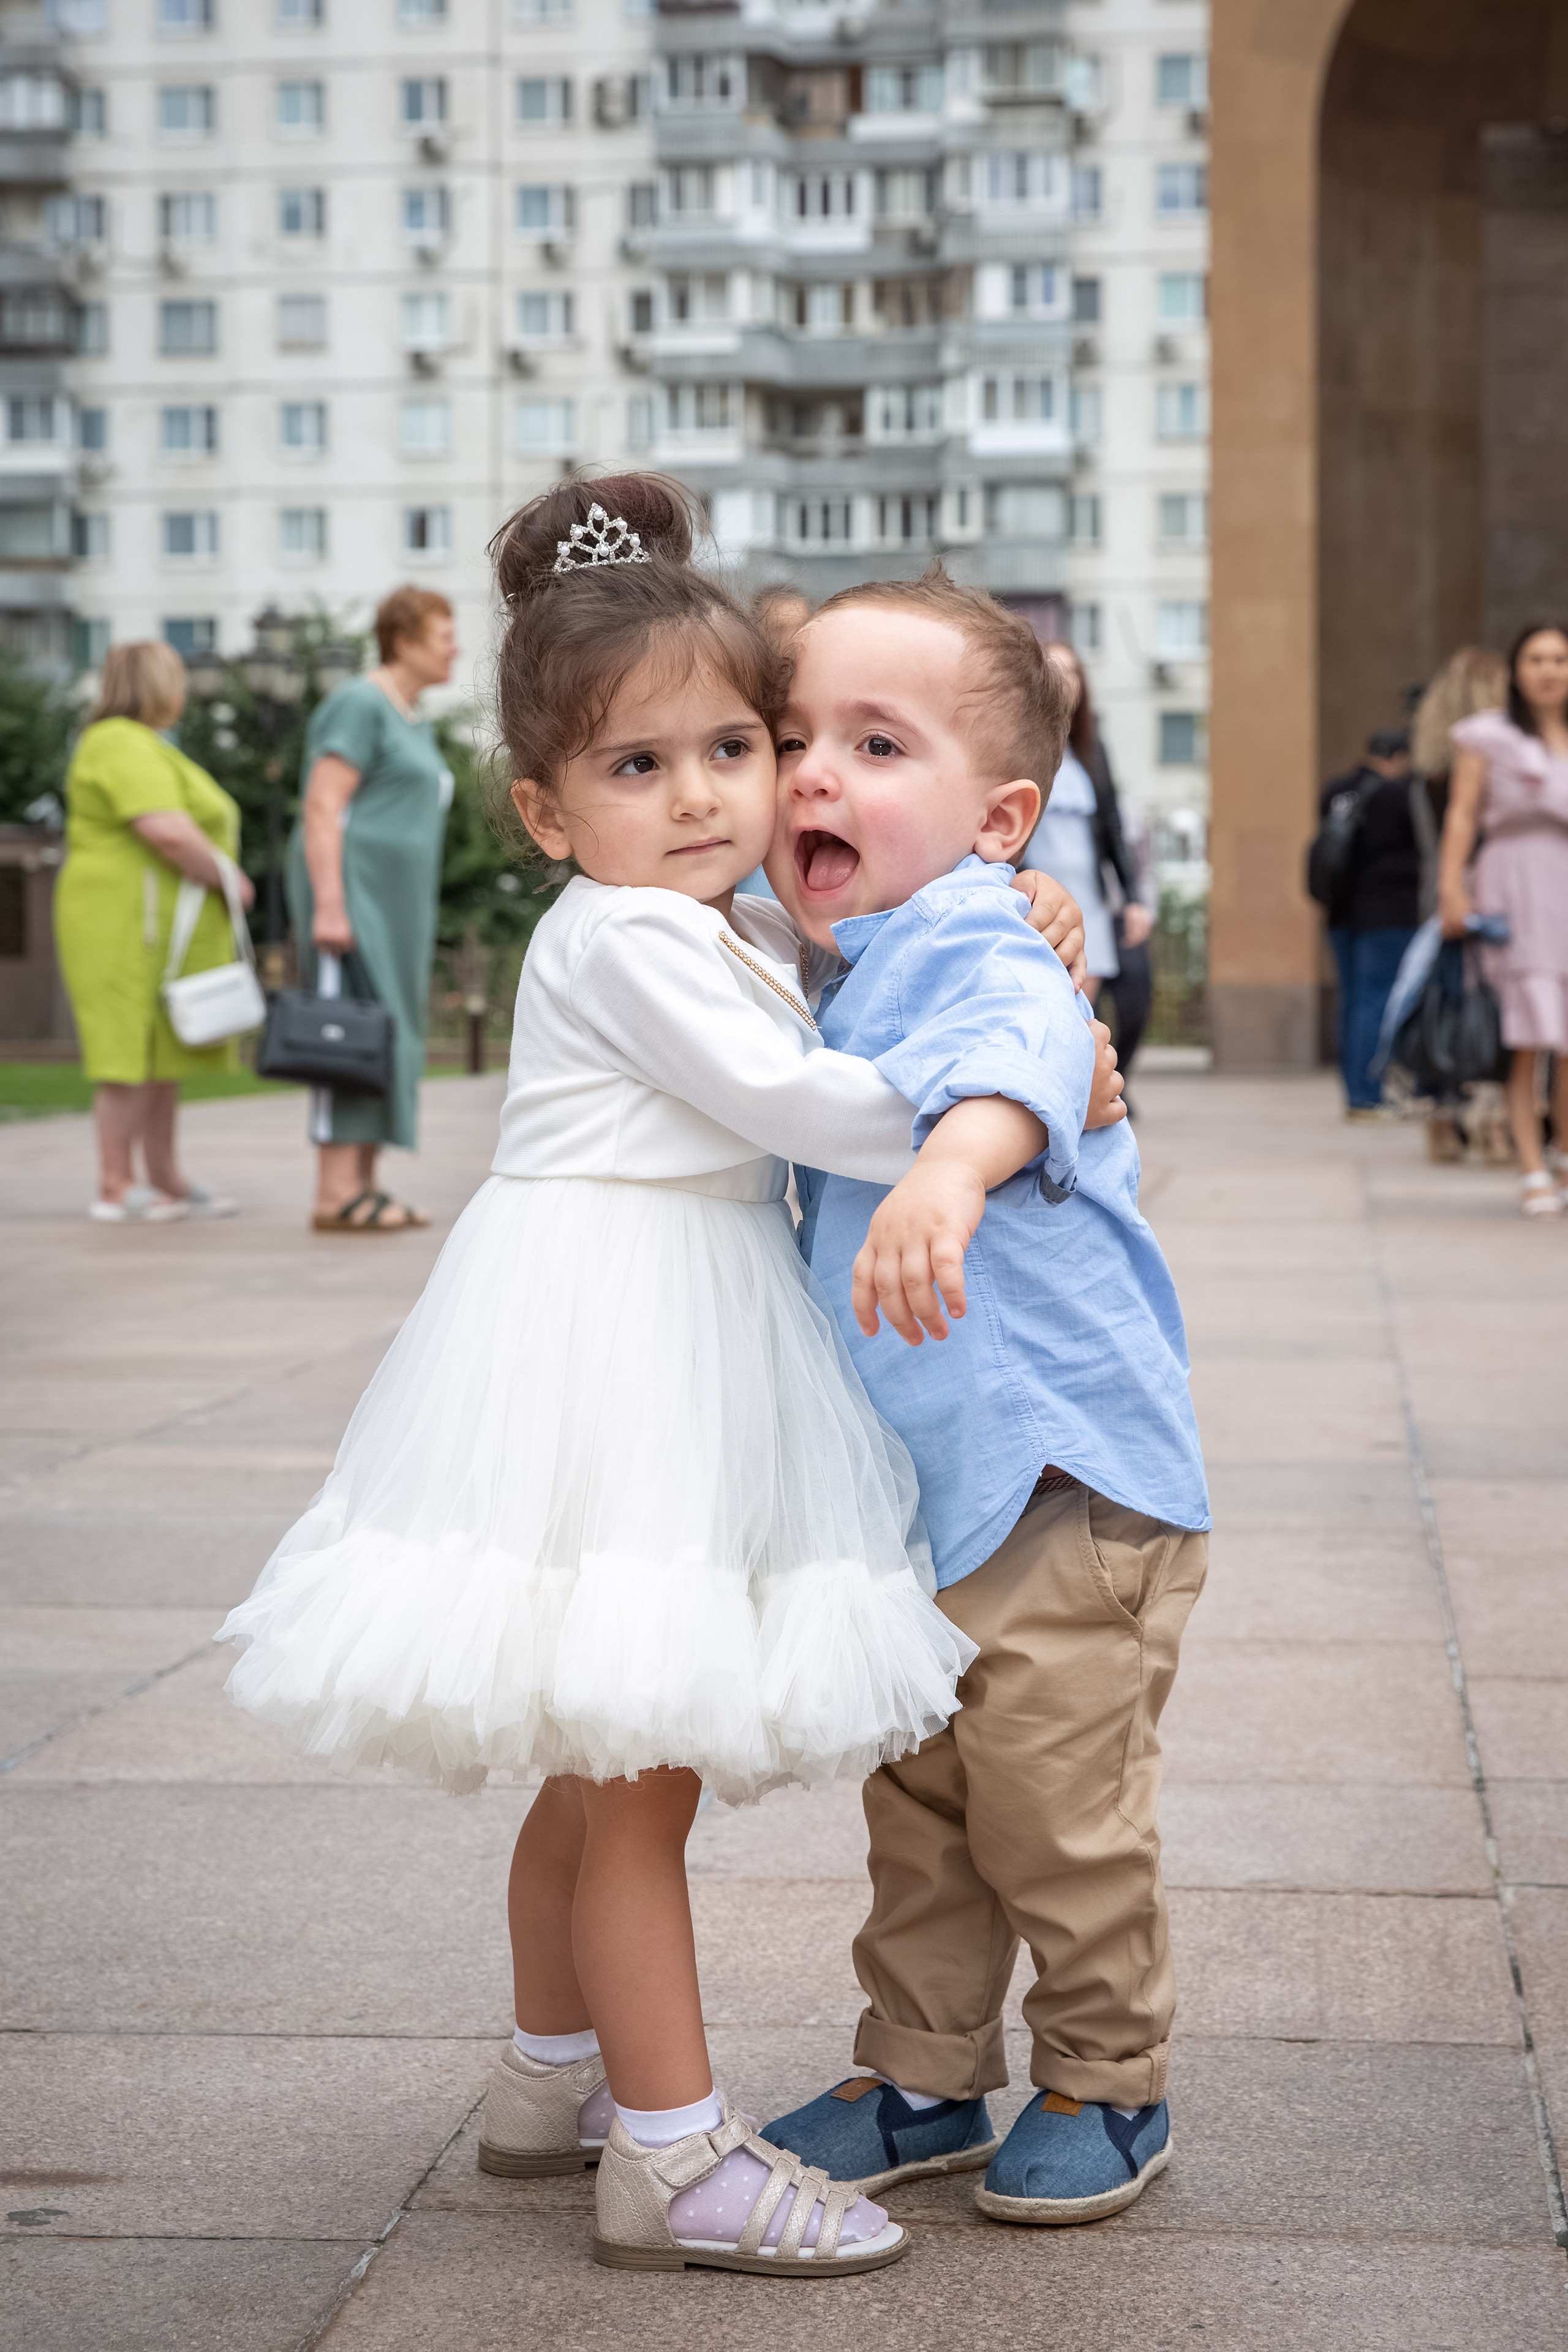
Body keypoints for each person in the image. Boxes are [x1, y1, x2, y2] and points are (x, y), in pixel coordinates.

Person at [217, 478, 1118, 2279]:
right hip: (622, 1329)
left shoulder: (693, 921)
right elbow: (801, 1096)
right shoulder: (629, 936)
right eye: (640, 767)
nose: (702, 792)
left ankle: (548, 2076)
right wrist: (1005, 1097)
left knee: (588, 1751)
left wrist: (997, 927)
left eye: (729, 743)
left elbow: (833, 988)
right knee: (640, 1775)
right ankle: (674, 2148)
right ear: (546, 809)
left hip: (607, 1313)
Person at [755, 567, 1209, 2228]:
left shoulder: (968, 931)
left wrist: (949, 1177)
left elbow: (1024, 1045)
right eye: (792, 737)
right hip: (943, 1497)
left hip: (1063, 1492)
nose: (813, 773)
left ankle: (1110, 2075)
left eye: (876, 743)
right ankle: (928, 2067)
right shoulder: (841, 948)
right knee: (928, 1802)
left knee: (1057, 1814)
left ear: (1003, 817)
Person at [53, 639, 253, 1223]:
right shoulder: (116, 742)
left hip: (156, 930)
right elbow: (165, 830)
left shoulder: (147, 747)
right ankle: (115, 1184)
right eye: (177, 679)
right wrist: (229, 877)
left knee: (163, 1053)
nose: (185, 691)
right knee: (126, 1052)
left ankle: (164, 1176)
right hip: (119, 926)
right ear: (156, 686)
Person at [287, 585, 456, 1234]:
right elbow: (322, 806)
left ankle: (363, 1184)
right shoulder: (359, 703)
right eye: (444, 636)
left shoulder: (408, 715)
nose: (454, 648)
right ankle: (334, 1192)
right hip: (352, 893)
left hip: (396, 904)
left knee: (382, 1033)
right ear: (406, 640)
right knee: (346, 1029)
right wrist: (330, 904)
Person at [1439, 620, 1568, 1217]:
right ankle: (1530, 1165)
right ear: (1516, 670)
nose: (1548, 670)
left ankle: (1562, 1154)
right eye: (1536, 659)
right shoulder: (1487, 736)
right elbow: (1462, 816)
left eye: (1559, 659)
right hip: (1514, 887)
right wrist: (1450, 890)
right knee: (1528, 1038)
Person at [1409, 648, 1510, 1164]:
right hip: (1492, 895)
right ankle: (1494, 1119)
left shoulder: (1427, 768)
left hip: (1436, 897)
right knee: (1497, 1009)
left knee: (1444, 1005)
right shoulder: (1493, 760)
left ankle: (1442, 1116)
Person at [1017, 639, 1144, 1006]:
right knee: (1046, 1002)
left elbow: (1113, 828)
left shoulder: (1093, 749)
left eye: (1072, 671)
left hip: (1091, 897)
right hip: (1036, 897)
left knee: (1082, 1010)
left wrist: (1133, 899)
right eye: (1054, 669)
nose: (1065, 679)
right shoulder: (1018, 749)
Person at [1319, 727, 1420, 1120]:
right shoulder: (1398, 794)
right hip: (1388, 914)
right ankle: (1368, 1096)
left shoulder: (1336, 790)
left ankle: (1354, 1091)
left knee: (1353, 1001)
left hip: (1341, 913)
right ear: (1399, 757)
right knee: (1376, 1001)